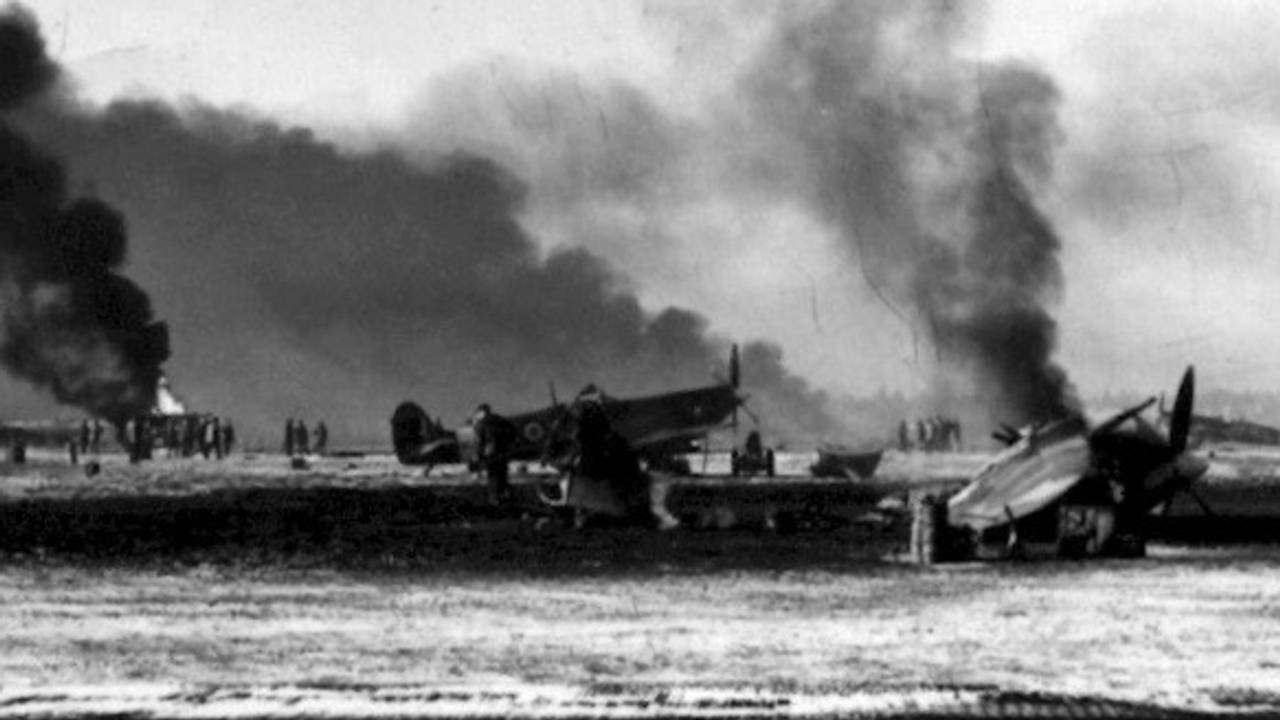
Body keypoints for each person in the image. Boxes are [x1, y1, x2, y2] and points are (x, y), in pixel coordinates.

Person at [473, 403, 517, 506]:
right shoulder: (502, 420)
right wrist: (509, 445)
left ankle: (494, 500)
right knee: (503, 474)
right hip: (503, 452)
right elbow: (513, 432)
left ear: (481, 412)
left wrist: (479, 456)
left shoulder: (481, 423)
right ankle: (506, 496)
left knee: (493, 476)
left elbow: (481, 442)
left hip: (491, 454)